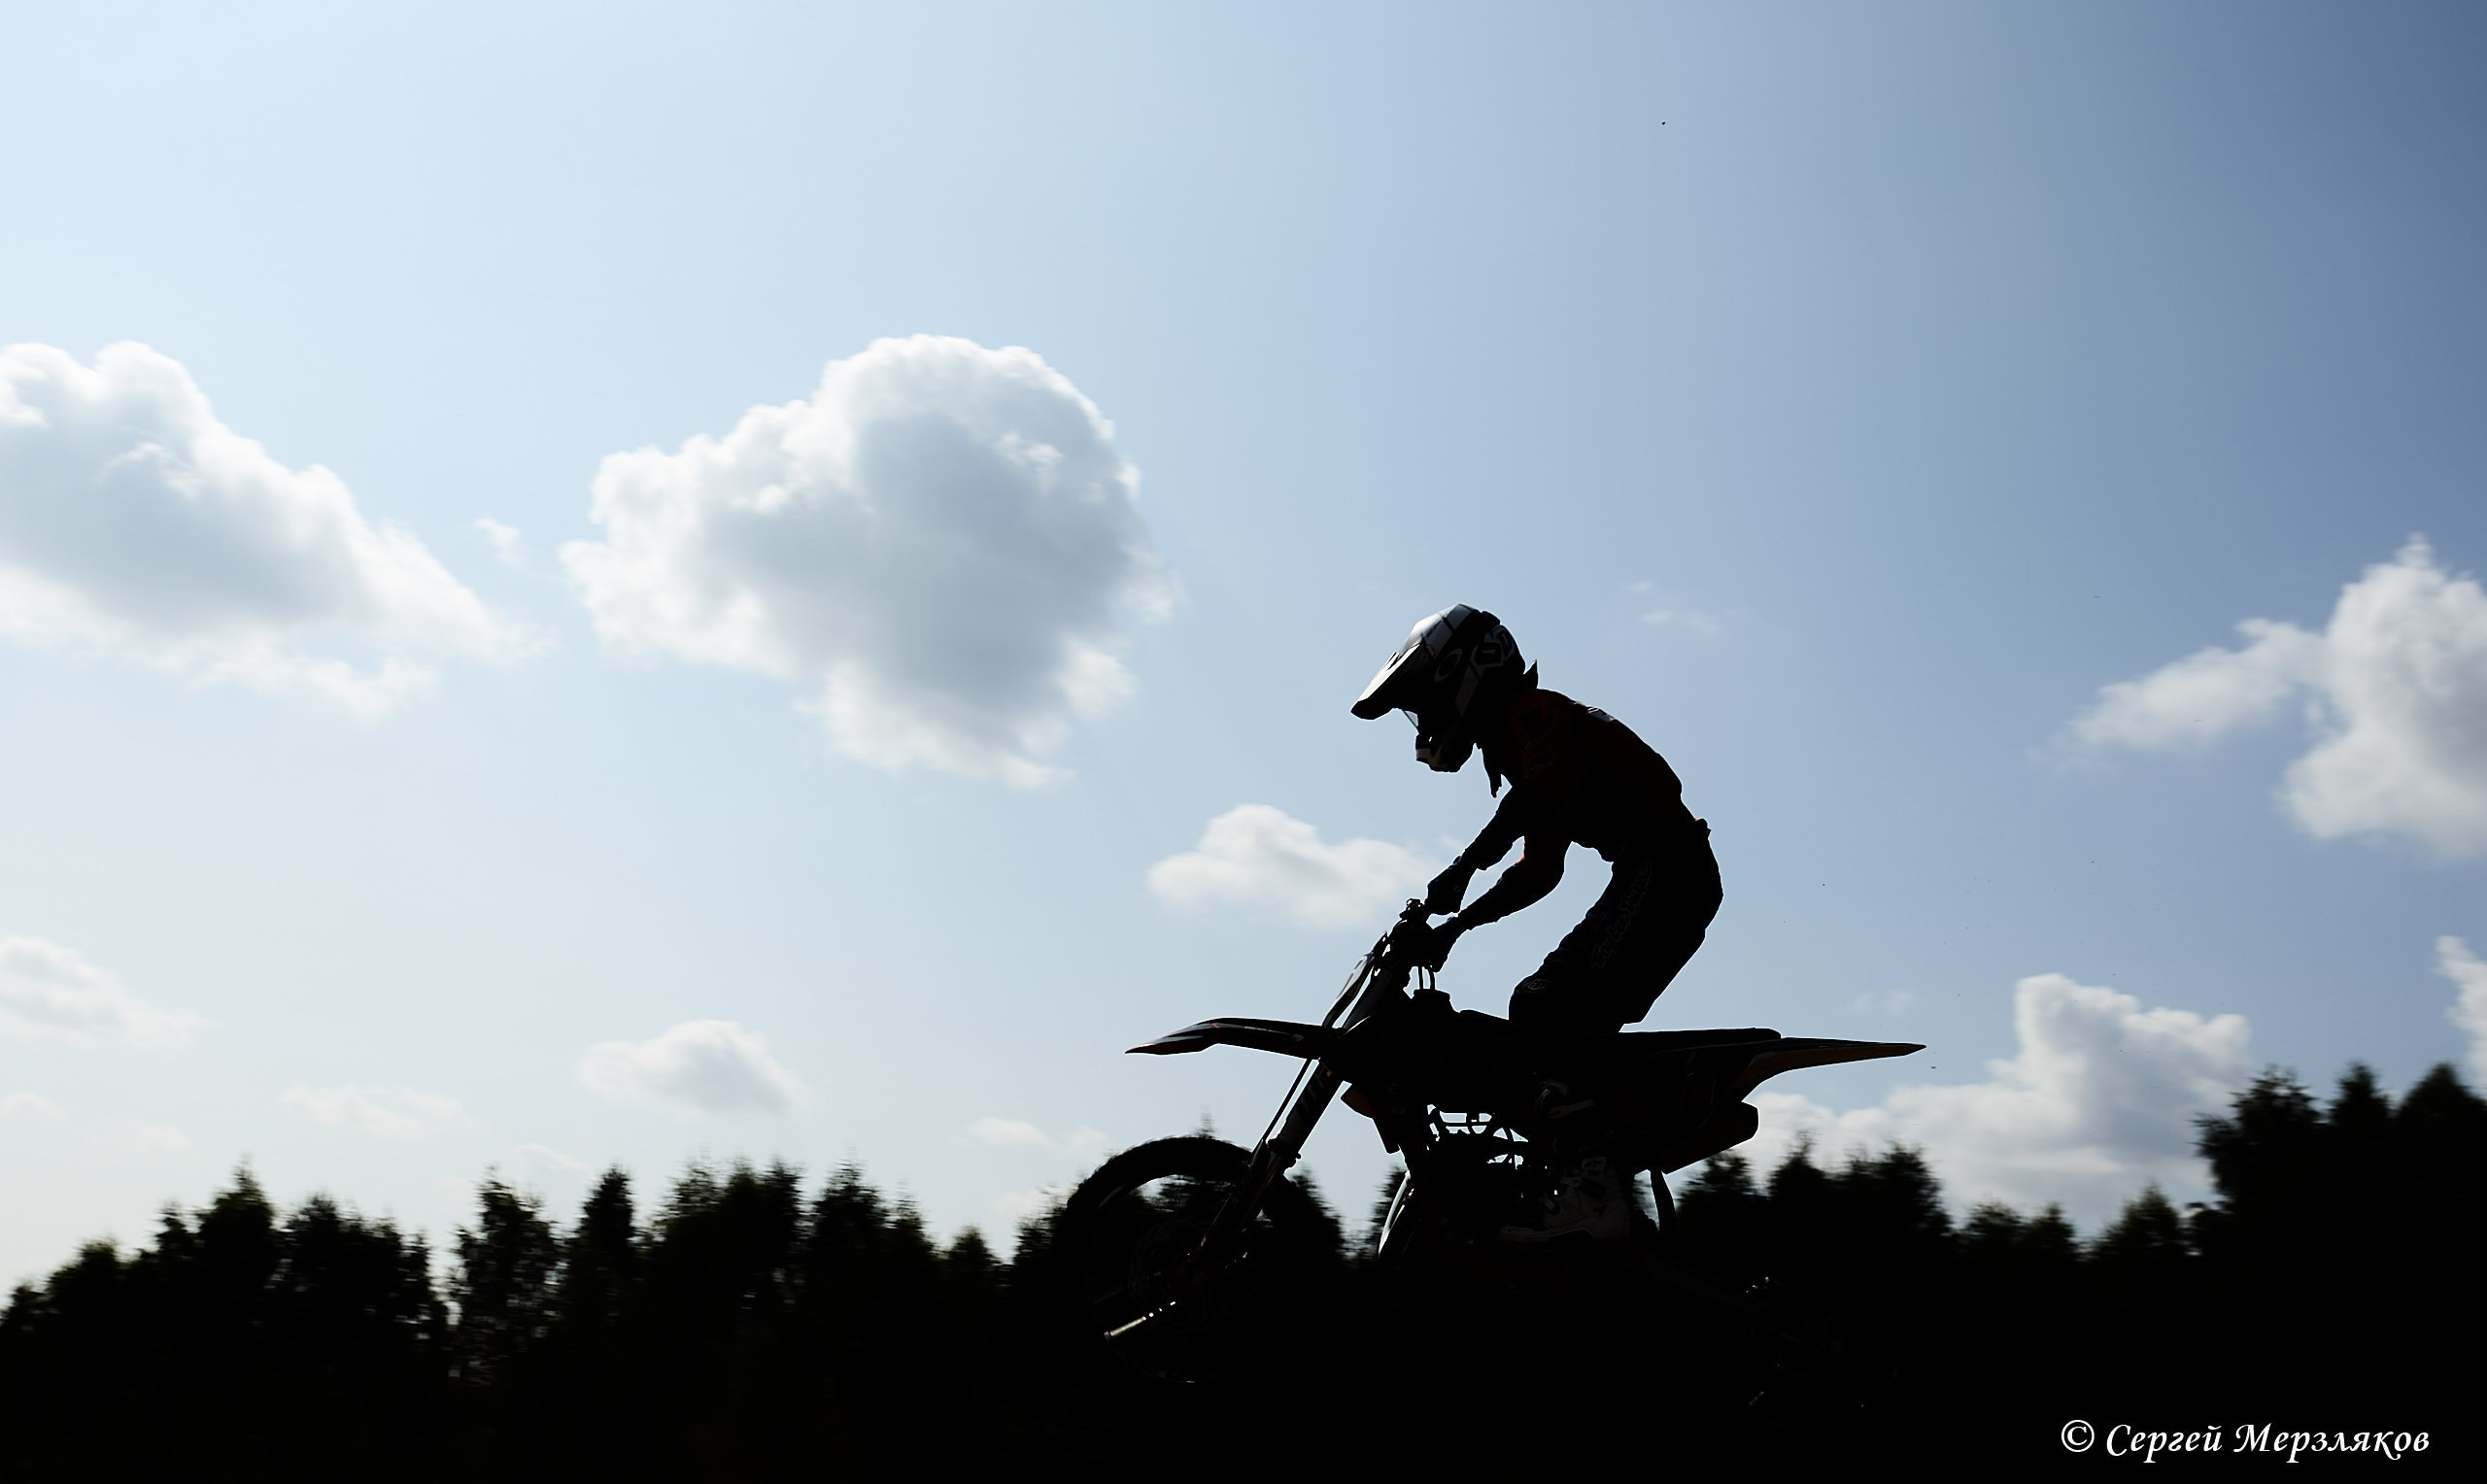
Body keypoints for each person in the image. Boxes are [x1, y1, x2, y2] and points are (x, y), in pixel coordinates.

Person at [1351, 604, 1721, 1241]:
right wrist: (1456, 928)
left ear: (1464, 674)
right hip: (1660, 873)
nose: (1425, 718)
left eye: (1424, 700)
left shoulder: (1532, 715)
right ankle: (1593, 1194)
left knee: (1541, 1006)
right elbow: (1539, 871)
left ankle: (1593, 1191)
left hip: (1667, 869)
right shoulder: (1528, 742)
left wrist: (1464, 867)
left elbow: (1534, 801)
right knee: (1550, 1028)